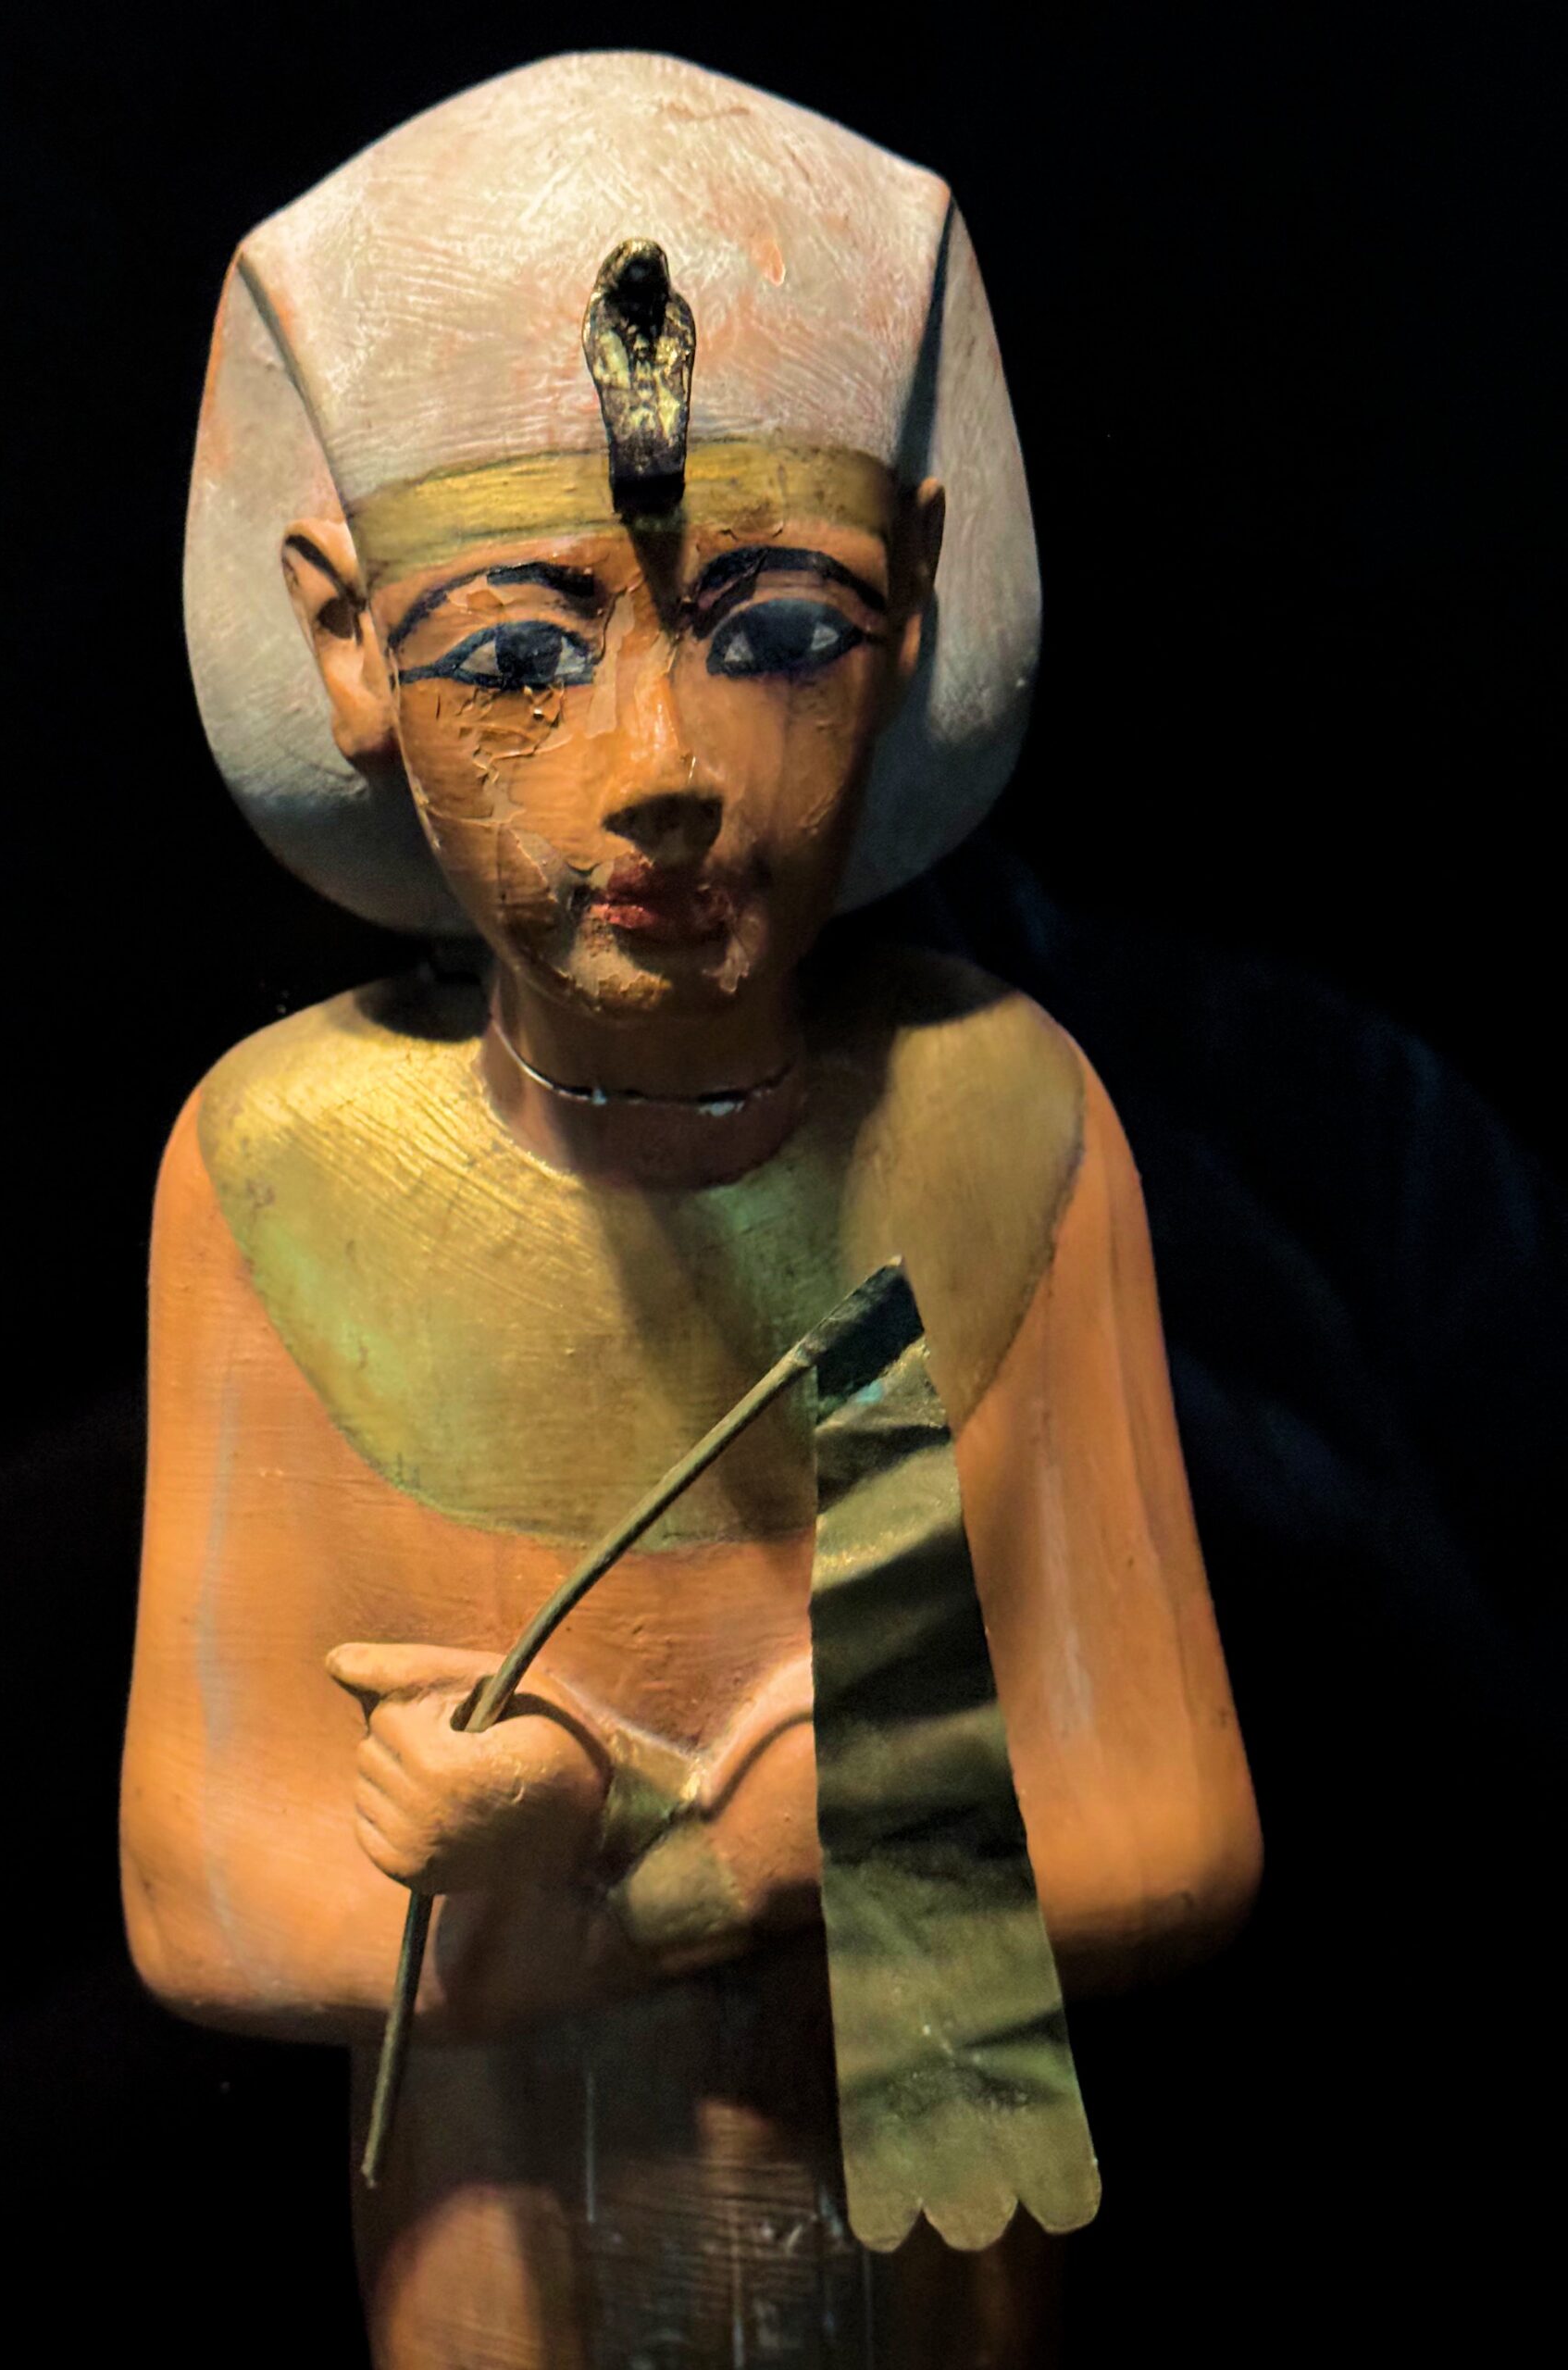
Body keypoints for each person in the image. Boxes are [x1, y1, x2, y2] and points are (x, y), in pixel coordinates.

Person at [120, 53, 1261, 2366]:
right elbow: (204, 1886)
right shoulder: (275, 1164)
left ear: (914, 601)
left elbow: (1171, 1821)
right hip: (508, 2255)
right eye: (519, 656)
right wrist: (662, 1838)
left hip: (939, 2250)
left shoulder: (1007, 1124)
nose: (661, 768)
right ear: (346, 646)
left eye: (777, 630)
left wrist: (654, 1847)